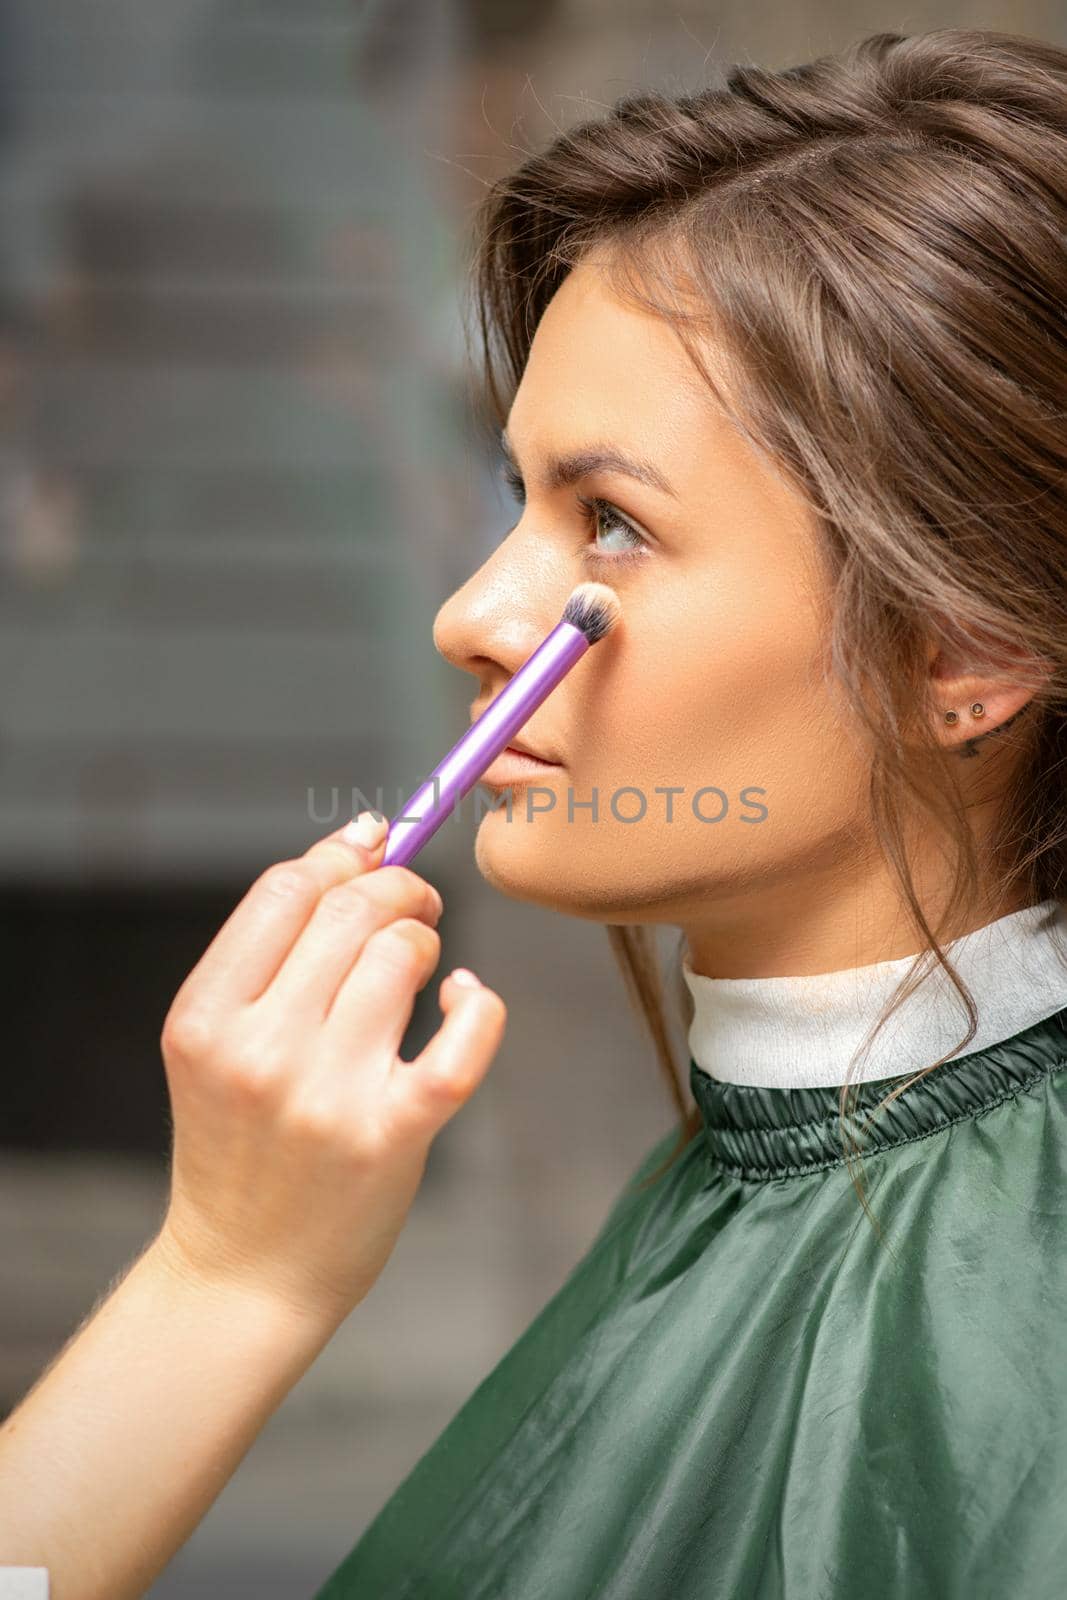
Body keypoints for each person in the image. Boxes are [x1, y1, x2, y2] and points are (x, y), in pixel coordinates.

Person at [2, 23, 1067, 1600]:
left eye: (614, 523)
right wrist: (229, 1271)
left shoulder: (1009, 1311)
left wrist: (230, 1276)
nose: (474, 612)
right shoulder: (766, 1166)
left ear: (966, 647)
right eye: (517, 500)